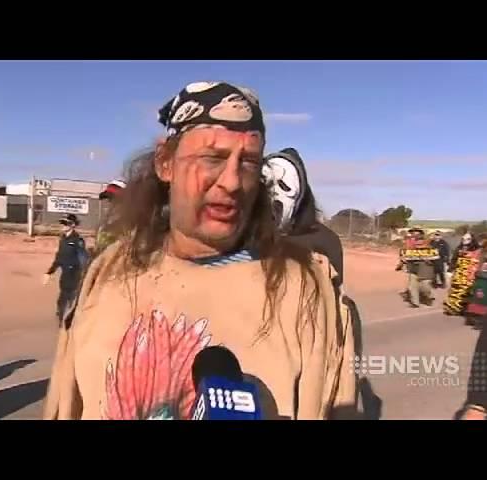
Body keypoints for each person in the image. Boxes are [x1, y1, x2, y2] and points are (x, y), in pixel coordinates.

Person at [43, 81, 357, 420]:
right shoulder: (109, 271)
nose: (233, 181)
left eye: (249, 162)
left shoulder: (302, 288)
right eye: (213, 158)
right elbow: (67, 402)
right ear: (166, 163)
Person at [262, 148, 344, 289]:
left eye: (284, 186)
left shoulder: (325, 241)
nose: (274, 193)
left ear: (300, 195)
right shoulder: (247, 237)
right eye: (267, 184)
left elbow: (334, 295)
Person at [43, 214, 88, 324]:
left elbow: (83, 258)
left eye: (65, 223)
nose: (63, 225)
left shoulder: (78, 240)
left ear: (72, 225)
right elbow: (59, 257)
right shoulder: (63, 238)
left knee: (70, 299)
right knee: (62, 299)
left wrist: (83, 273)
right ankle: (62, 319)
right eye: (62, 223)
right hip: (65, 274)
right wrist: (50, 272)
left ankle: (69, 322)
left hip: (74, 274)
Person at [444, 232, 482, 317]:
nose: (465, 241)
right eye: (463, 239)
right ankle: (454, 308)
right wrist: (449, 271)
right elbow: (453, 260)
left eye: (468, 239)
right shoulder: (459, 249)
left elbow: (480, 262)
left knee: (470, 292)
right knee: (456, 291)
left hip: (471, 274)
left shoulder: (478, 250)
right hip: (459, 274)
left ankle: (472, 310)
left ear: (472, 240)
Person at [399, 228, 435, 308]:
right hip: (412, 268)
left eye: (417, 233)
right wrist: (403, 261)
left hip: (425, 269)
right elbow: (403, 254)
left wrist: (427, 259)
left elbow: (434, 257)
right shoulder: (408, 245)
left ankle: (428, 297)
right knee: (412, 286)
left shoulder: (428, 246)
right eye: (412, 233)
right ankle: (415, 302)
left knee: (425, 287)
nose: (414, 235)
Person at [94, 179, 127, 256]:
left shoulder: (127, 223)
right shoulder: (105, 222)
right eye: (107, 198)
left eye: (112, 199)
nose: (108, 202)